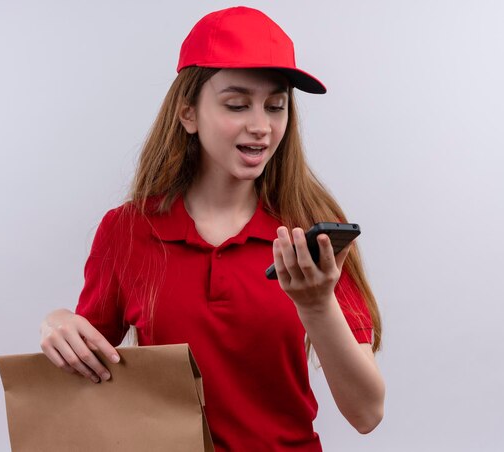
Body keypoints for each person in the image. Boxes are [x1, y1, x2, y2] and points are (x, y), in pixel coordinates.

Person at [39, 6, 385, 451]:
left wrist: (317, 305)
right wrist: (58, 321)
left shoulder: (310, 234)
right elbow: (86, 369)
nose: (260, 126)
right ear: (188, 114)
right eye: (237, 104)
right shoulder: (126, 231)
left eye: (275, 106)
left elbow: (367, 414)